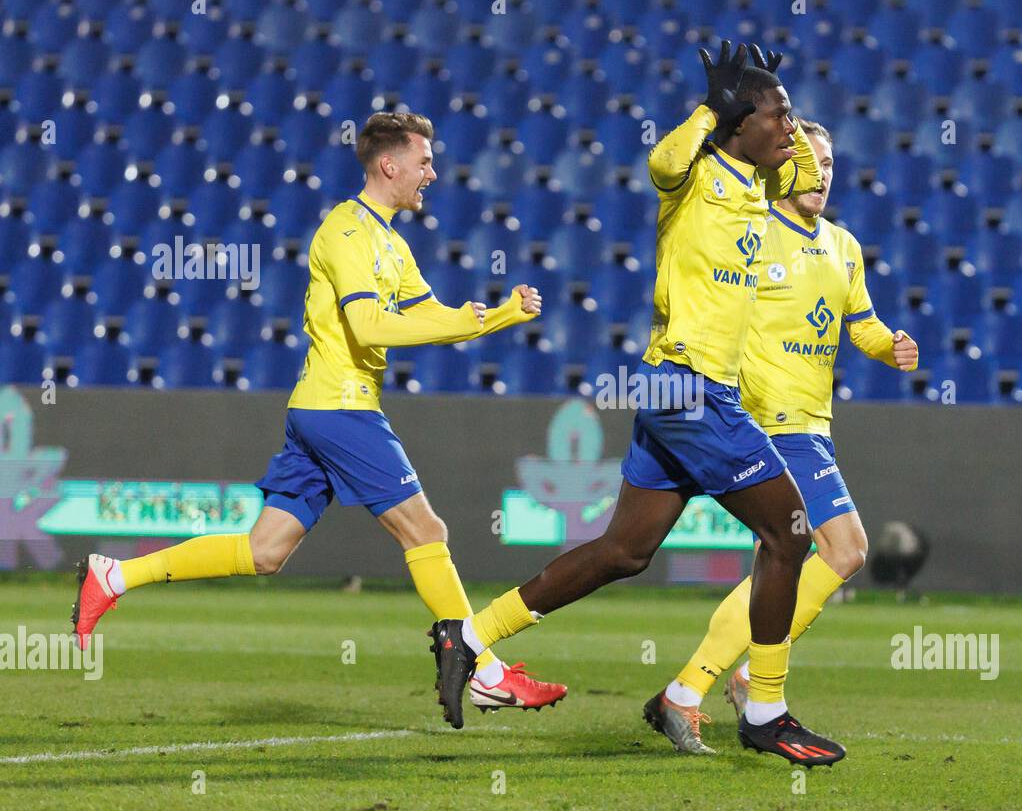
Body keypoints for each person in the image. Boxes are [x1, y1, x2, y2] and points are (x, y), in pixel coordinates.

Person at [432, 43, 847, 766]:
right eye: (779, 117)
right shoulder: (694, 173)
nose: (791, 130)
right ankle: (767, 711)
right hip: (689, 387)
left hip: (675, 387)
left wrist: (777, 99)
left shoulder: (762, 177)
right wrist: (716, 106)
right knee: (791, 533)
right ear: (735, 122)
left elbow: (806, 165)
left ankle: (466, 637)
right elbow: (661, 162)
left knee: (623, 551)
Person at [72, 112, 568, 714]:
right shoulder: (346, 231)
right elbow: (367, 325)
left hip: (320, 409)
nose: (432, 174)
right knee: (427, 531)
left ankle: (114, 576)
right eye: (424, 162)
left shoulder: (392, 242)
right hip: (341, 408)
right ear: (390, 164)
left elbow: (430, 317)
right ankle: (484, 669)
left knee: (264, 552)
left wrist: (496, 314)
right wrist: (474, 318)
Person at [643, 119, 919, 755]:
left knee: (785, 558)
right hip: (765, 419)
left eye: (831, 161)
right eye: (811, 160)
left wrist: (890, 346)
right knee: (843, 549)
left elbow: (863, 324)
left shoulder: (844, 246)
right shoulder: (753, 233)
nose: (823, 172)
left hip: (812, 422)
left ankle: (700, 688)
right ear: (782, 166)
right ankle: (718, 685)